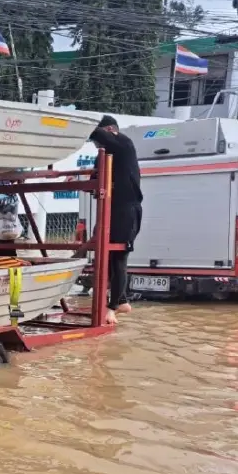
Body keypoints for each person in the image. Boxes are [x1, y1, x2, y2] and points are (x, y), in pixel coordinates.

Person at [88, 115, 143, 324]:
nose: (96, 144)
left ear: (111, 130)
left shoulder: (124, 144)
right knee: (106, 255)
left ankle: (114, 306)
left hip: (126, 209)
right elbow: (94, 179)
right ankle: (121, 300)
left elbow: (100, 135)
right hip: (109, 208)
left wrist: (80, 125)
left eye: (98, 140)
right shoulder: (105, 154)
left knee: (118, 256)